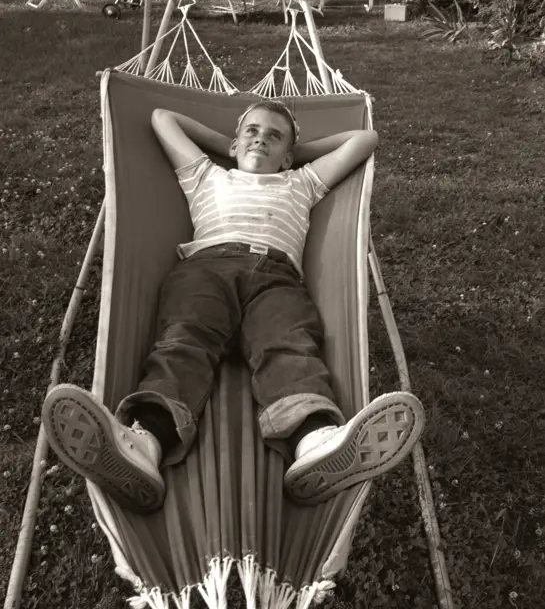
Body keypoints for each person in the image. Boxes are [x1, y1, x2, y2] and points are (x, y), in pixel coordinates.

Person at [42, 100, 425, 514]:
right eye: (252, 131)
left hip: (276, 278)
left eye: (274, 136)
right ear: (234, 142)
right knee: (183, 341)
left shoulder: (303, 182)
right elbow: (161, 118)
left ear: (289, 156)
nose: (261, 138)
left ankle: (314, 442)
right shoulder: (205, 175)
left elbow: (365, 138)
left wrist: (294, 152)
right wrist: (227, 145)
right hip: (207, 269)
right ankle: (146, 443)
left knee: (289, 345)